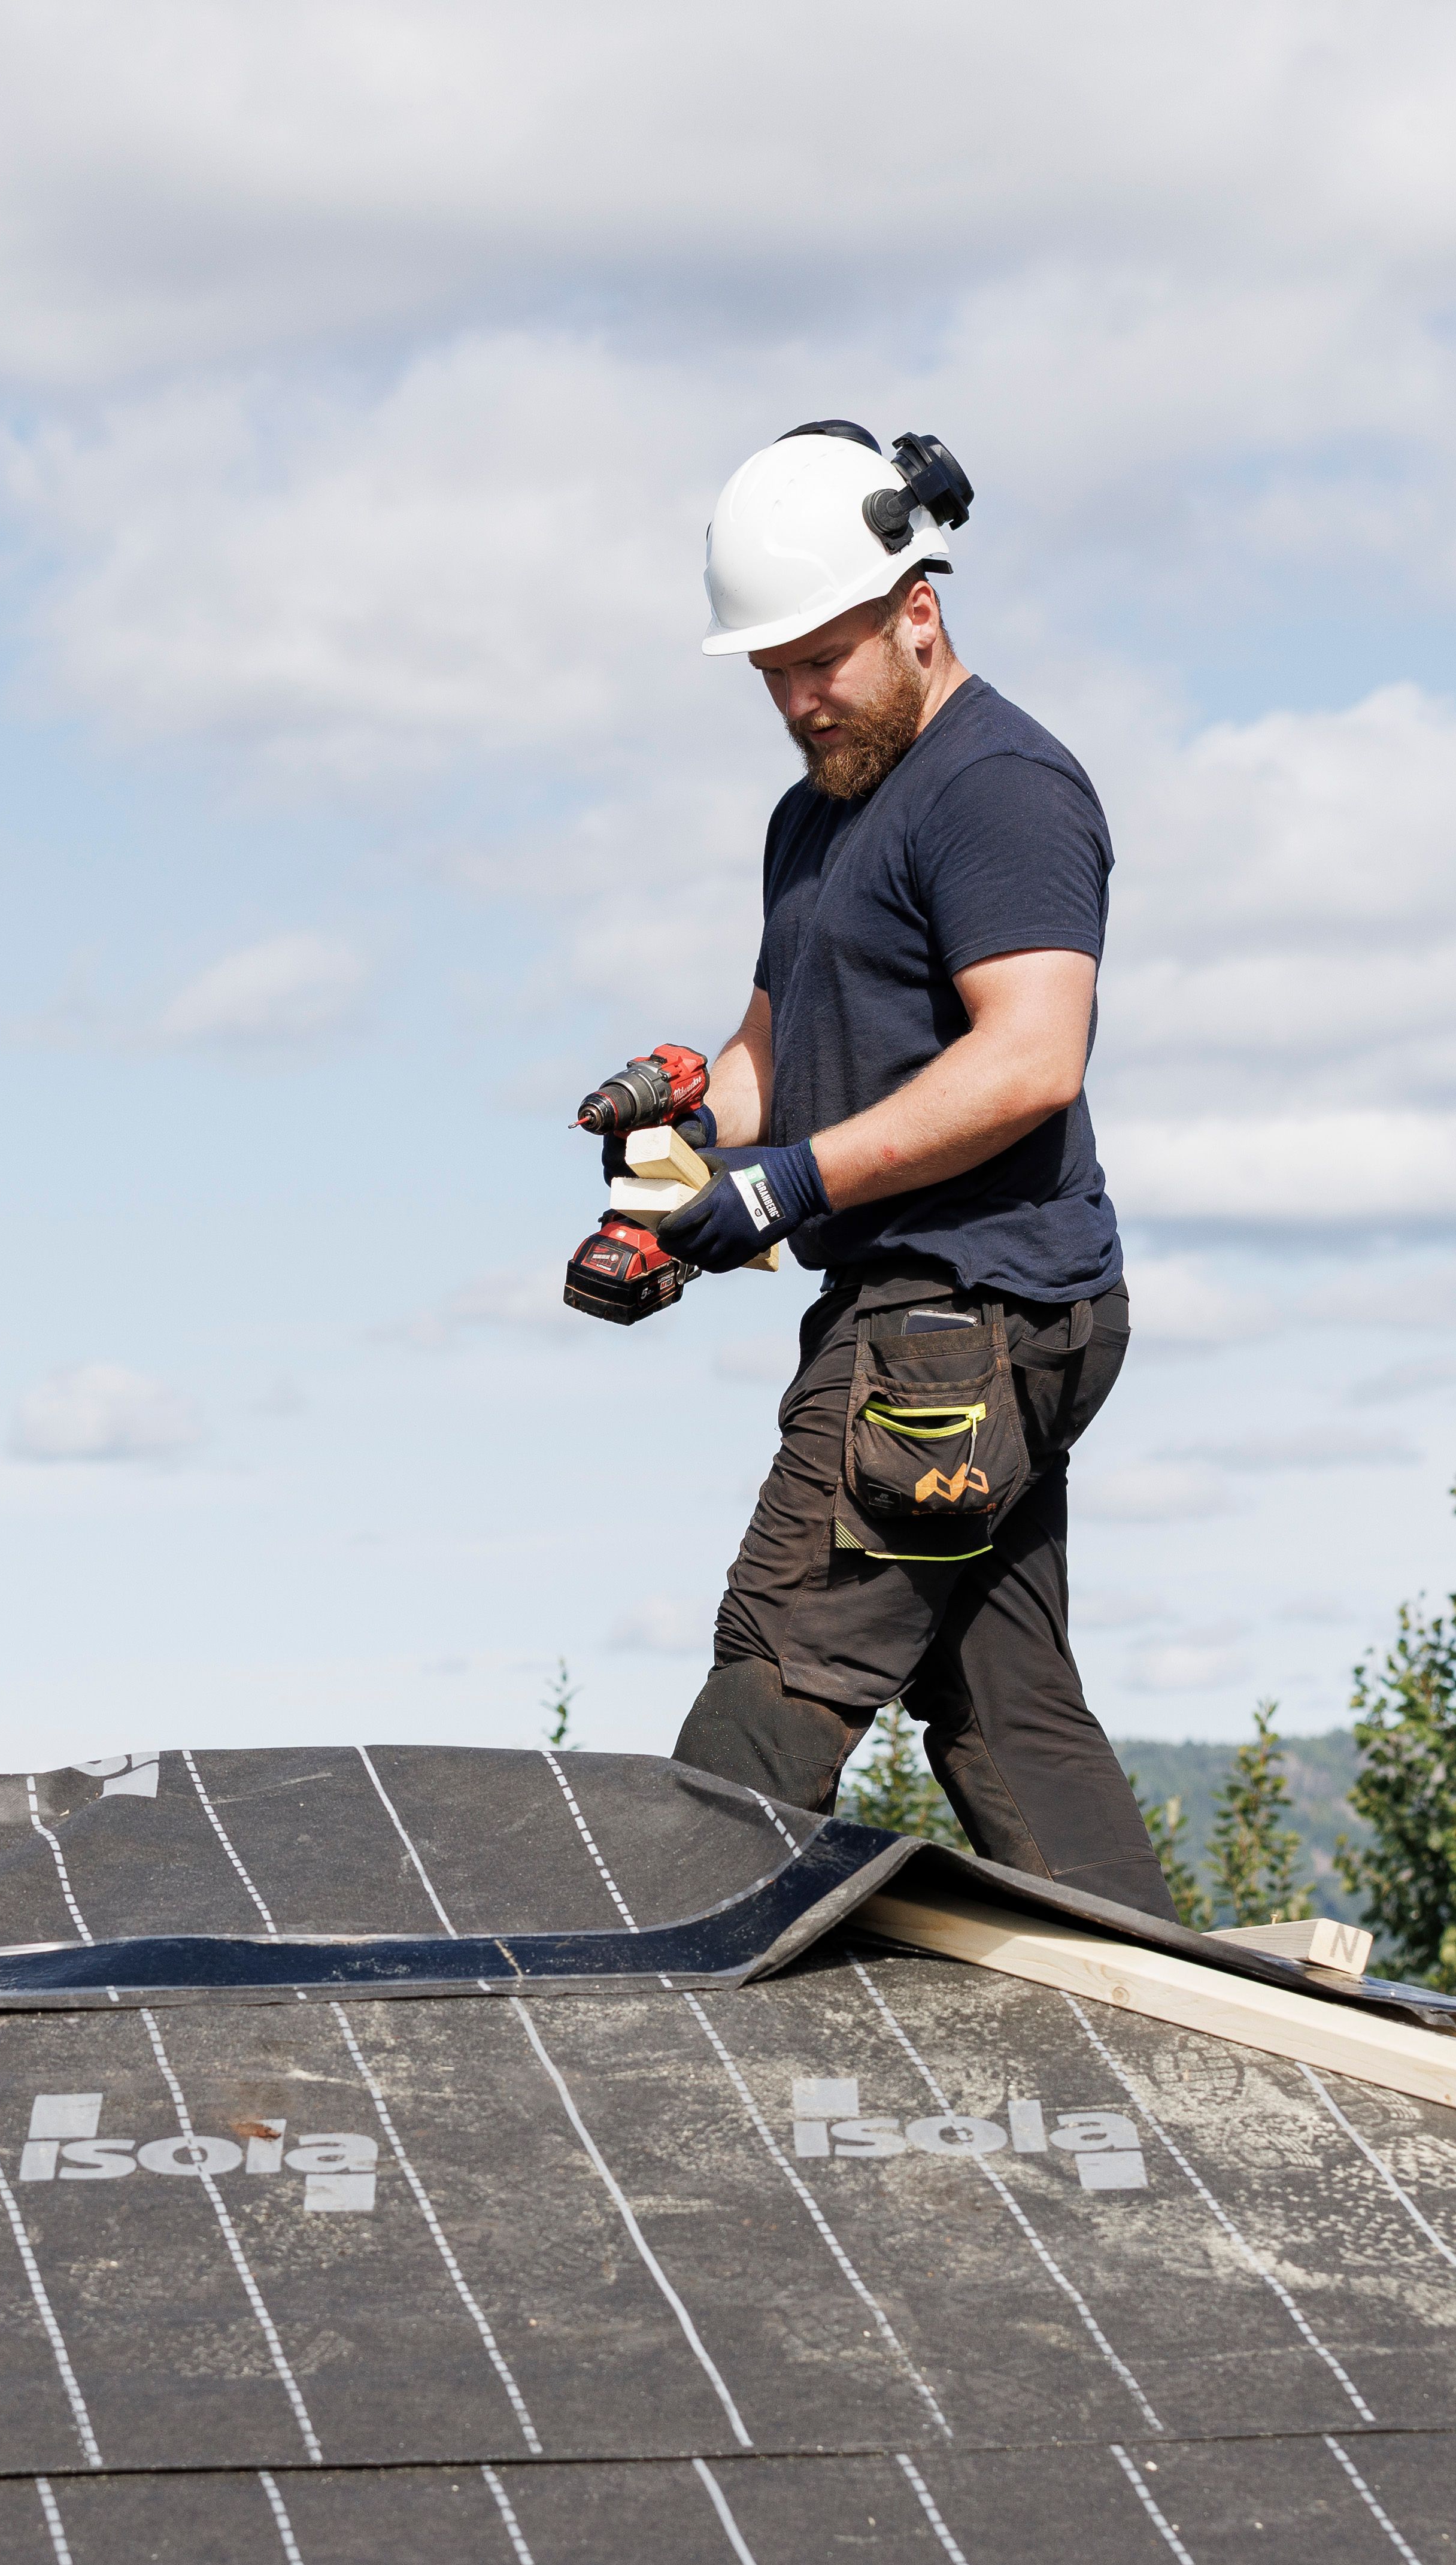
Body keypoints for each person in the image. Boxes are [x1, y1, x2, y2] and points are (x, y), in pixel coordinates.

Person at [596, 420, 1177, 1914]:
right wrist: (680, 1135)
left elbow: (1032, 1055)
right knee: (1005, 1709)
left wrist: (790, 1189)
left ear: (918, 610)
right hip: (957, 1309)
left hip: (961, 1313)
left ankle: (636, 1999)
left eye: (822, 660)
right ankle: (1185, 2027)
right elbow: (767, 1066)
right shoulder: (817, 813)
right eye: (770, 672)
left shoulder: (1002, 788)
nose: (796, 700)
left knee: (776, 1673)